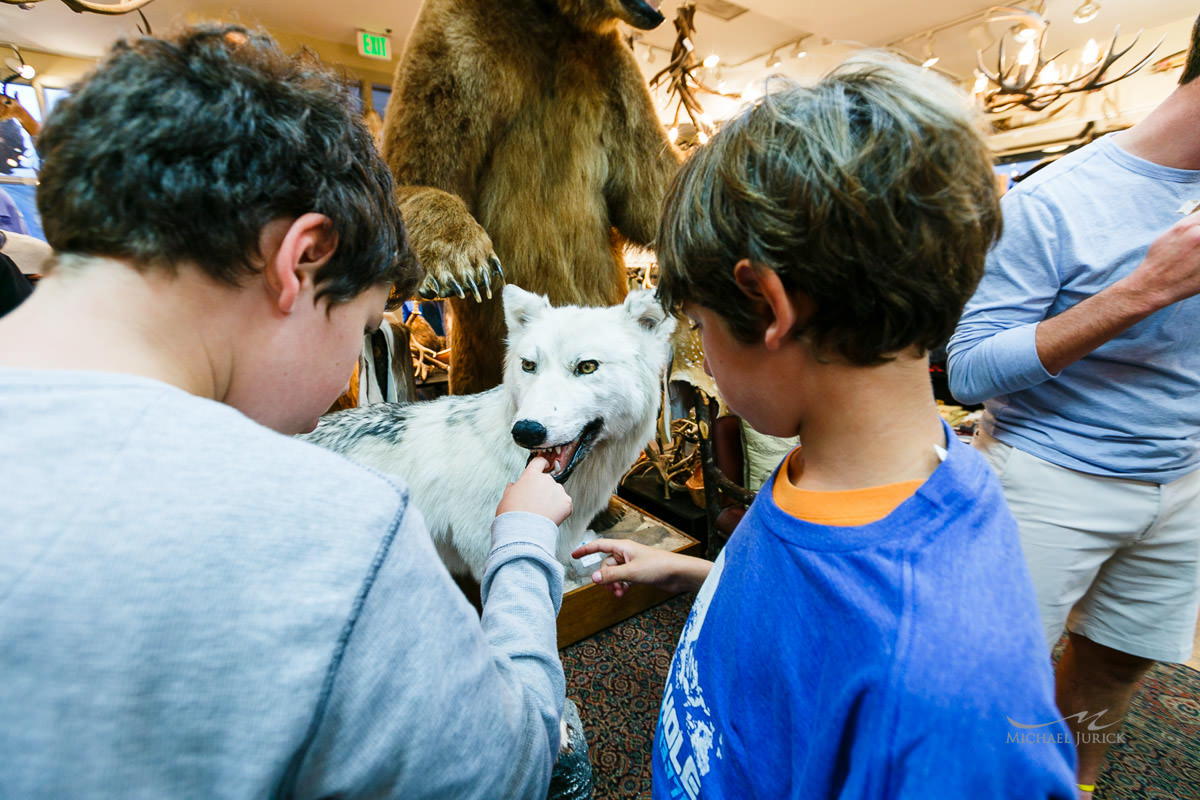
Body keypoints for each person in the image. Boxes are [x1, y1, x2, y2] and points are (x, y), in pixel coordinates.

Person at [0, 24, 574, 799]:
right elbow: (514, 766)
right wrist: (524, 540)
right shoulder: (335, 532)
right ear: (302, 260)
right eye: (365, 328)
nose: (347, 370)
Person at [574, 55, 1077, 798]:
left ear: (768, 306)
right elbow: (818, 620)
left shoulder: (952, 689)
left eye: (700, 323)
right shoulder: (835, 465)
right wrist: (698, 577)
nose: (703, 353)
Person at [947, 15, 1200, 798]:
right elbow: (966, 369)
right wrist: (1142, 292)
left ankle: (1074, 786)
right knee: (992, 679)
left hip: (1183, 479)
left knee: (1119, 662)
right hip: (1047, 474)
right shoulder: (1058, 197)